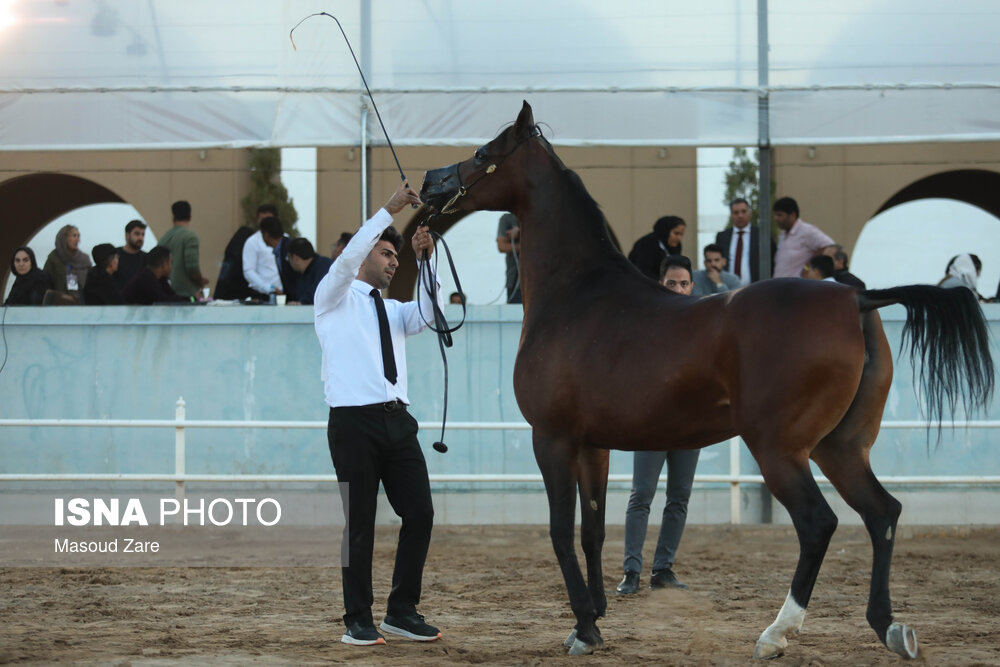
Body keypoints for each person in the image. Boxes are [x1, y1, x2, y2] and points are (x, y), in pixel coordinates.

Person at [314, 180, 443, 647]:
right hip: (352, 424)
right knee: (361, 523)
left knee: (421, 514)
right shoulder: (331, 298)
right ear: (366, 252)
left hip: (397, 421)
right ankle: (358, 619)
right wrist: (388, 211)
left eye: (396, 255)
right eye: (386, 253)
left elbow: (429, 314)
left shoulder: (392, 310)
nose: (393, 261)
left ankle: (401, 611)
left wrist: (426, 261)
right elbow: (347, 260)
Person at [616, 254, 700, 596]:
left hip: (690, 421)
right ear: (660, 285)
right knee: (642, 495)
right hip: (652, 420)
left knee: (679, 497)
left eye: (683, 284)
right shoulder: (645, 323)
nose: (678, 289)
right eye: (671, 283)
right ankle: (631, 571)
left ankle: (663, 568)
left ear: (692, 286)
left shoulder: (702, 324)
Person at [714, 198, 775, 285]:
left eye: (743, 211)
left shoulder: (761, 235)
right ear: (731, 215)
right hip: (728, 290)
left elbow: (773, 259)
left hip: (756, 289)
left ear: (749, 213)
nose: (740, 216)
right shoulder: (722, 237)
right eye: (736, 212)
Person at [771, 197, 835, 278]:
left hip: (797, 286)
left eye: (779, 215)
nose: (775, 218)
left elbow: (830, 246)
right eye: (775, 215)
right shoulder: (783, 233)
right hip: (781, 286)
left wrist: (808, 266)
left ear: (792, 215)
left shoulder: (806, 231)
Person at [158, 201, 209, 299]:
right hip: (187, 293)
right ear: (190, 217)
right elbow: (192, 266)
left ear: (173, 218)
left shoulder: (165, 238)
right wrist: (200, 280)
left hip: (167, 291)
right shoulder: (190, 237)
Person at [123, 246, 190, 305]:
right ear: (164, 264)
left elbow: (172, 296)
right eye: (170, 262)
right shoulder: (145, 278)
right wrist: (190, 299)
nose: (172, 267)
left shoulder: (161, 279)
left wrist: (191, 299)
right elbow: (162, 301)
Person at [628, 216, 685, 282]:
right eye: (676, 233)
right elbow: (643, 271)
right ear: (666, 231)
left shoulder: (676, 245)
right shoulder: (646, 244)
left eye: (681, 234)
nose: (679, 238)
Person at [42, 224, 91, 298]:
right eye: (74, 236)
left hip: (82, 305)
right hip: (60, 304)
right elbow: (45, 284)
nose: (77, 240)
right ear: (64, 238)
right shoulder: (54, 259)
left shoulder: (84, 259)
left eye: (78, 236)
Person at [242, 215, 284, 298]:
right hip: (262, 293)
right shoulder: (253, 241)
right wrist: (267, 288)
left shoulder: (286, 241)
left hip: (284, 293)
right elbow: (248, 270)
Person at [286, 237, 332, 305]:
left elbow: (319, 291)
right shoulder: (303, 273)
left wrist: (301, 303)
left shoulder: (323, 266)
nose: (289, 262)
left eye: (288, 257)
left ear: (295, 257)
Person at [496, 213, 522, 303]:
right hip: (514, 282)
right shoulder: (508, 219)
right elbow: (502, 246)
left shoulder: (542, 214)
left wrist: (520, 233)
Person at [115, 220, 148, 291]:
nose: (140, 238)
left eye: (143, 234)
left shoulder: (147, 258)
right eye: (137, 234)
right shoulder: (115, 255)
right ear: (127, 235)